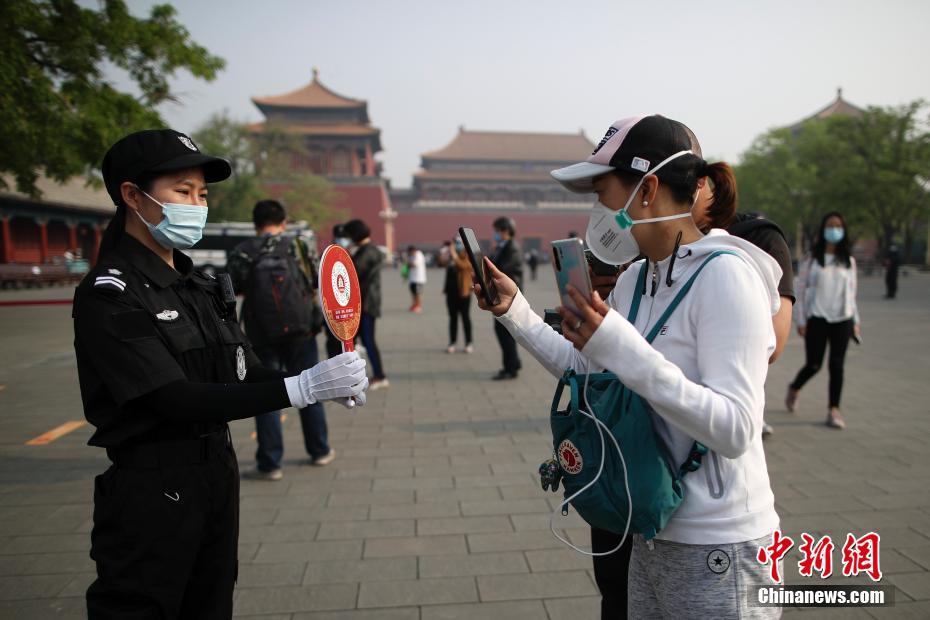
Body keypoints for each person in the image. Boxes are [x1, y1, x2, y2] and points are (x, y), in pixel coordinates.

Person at [474, 115, 783, 619]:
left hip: (719, 545)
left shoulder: (726, 276)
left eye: (603, 193)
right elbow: (588, 370)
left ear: (648, 189)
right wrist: (516, 312)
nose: (599, 211)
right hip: (649, 530)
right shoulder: (636, 280)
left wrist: (624, 350)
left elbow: (736, 429)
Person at [74, 129, 369, 618]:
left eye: (203, 195)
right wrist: (299, 388)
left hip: (217, 474)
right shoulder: (111, 294)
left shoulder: (201, 285)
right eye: (183, 191)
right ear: (132, 195)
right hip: (153, 485)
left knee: (212, 602)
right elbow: (171, 398)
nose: (197, 205)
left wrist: (321, 380)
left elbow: (242, 371)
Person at [227, 200, 334, 481]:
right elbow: (315, 280)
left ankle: (270, 463)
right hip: (301, 331)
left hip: (261, 334)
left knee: (267, 396)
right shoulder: (299, 246)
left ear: (255, 224)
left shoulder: (242, 251)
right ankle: (320, 450)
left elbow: (231, 289)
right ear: (284, 222)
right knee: (310, 388)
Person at [787, 211, 861, 429]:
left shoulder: (848, 261)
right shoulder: (811, 259)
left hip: (842, 319)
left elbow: (852, 294)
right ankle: (795, 387)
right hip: (817, 318)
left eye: (838, 226)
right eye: (830, 225)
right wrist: (800, 320)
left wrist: (855, 320)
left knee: (837, 365)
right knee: (814, 364)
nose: (834, 230)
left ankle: (834, 409)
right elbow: (800, 290)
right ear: (823, 229)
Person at [345, 219, 389, 390]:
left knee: (369, 341)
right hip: (367, 302)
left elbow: (353, 272)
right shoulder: (370, 250)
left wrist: (347, 255)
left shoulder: (367, 252)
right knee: (366, 340)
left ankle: (380, 375)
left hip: (366, 303)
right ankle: (376, 374)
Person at [490, 216, 523, 380]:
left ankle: (510, 369)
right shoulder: (502, 247)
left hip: (508, 298)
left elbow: (503, 270)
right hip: (502, 296)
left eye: (497, 231)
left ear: (506, 231)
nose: (495, 234)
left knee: (504, 333)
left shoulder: (512, 248)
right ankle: (514, 362)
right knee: (505, 331)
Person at [439, 235, 474, 353]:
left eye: (458, 243)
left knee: (465, 318)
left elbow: (463, 266)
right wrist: (445, 253)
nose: (455, 245)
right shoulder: (450, 255)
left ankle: (468, 343)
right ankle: (452, 342)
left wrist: (453, 253)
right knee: (452, 318)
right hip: (451, 292)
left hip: (463, 292)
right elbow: (440, 263)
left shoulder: (467, 254)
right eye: (454, 243)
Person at [326, 223, 351, 358]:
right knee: (334, 340)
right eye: (340, 236)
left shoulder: (350, 253)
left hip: (348, 306)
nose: (342, 240)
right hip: (333, 306)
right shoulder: (328, 254)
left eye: (344, 237)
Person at [407, 245, 427, 313]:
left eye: (410, 252)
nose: (410, 254)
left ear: (413, 251)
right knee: (413, 293)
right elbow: (409, 265)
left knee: (417, 293)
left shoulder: (419, 255)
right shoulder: (411, 256)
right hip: (412, 278)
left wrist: (408, 263)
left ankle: (419, 306)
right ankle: (414, 305)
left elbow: (414, 265)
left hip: (419, 279)